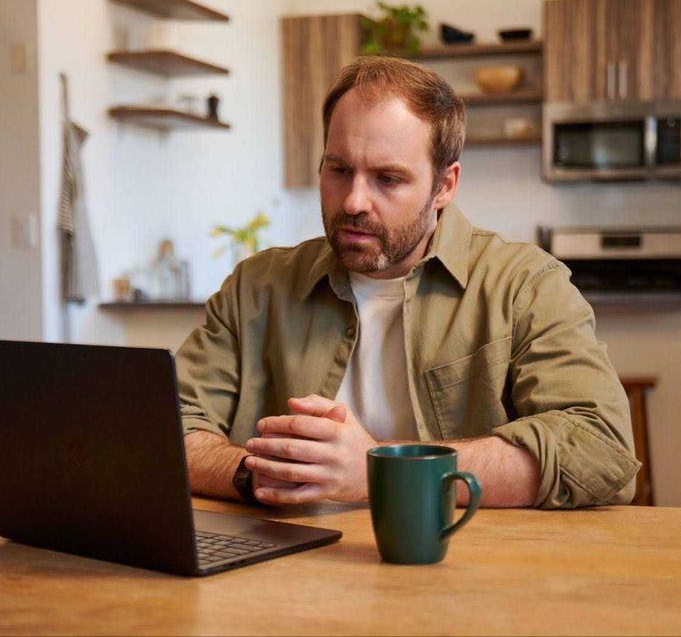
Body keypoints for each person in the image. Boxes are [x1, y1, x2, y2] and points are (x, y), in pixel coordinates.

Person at [177, 56, 639, 510]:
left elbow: (601, 449)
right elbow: (165, 427)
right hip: (292, 553)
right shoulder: (256, 288)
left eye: (388, 178)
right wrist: (254, 472)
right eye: (339, 170)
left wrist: (381, 470)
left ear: (444, 186)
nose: (354, 201)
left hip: (464, 551)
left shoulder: (525, 286)